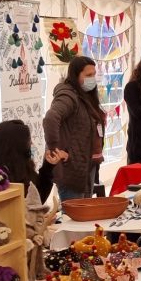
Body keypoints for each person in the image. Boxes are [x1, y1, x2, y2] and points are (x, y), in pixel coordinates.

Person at [44, 56, 106, 201]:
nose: (92, 79)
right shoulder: (68, 96)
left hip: (86, 167)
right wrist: (55, 150)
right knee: (73, 219)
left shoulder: (85, 96)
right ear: (75, 75)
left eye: (94, 74)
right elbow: (50, 118)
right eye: (88, 75)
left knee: (85, 216)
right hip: (72, 170)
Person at [0, 119, 57, 201]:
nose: (31, 144)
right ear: (17, 146)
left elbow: (37, 199)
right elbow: (34, 203)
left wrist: (48, 167)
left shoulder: (21, 166)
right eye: (29, 140)